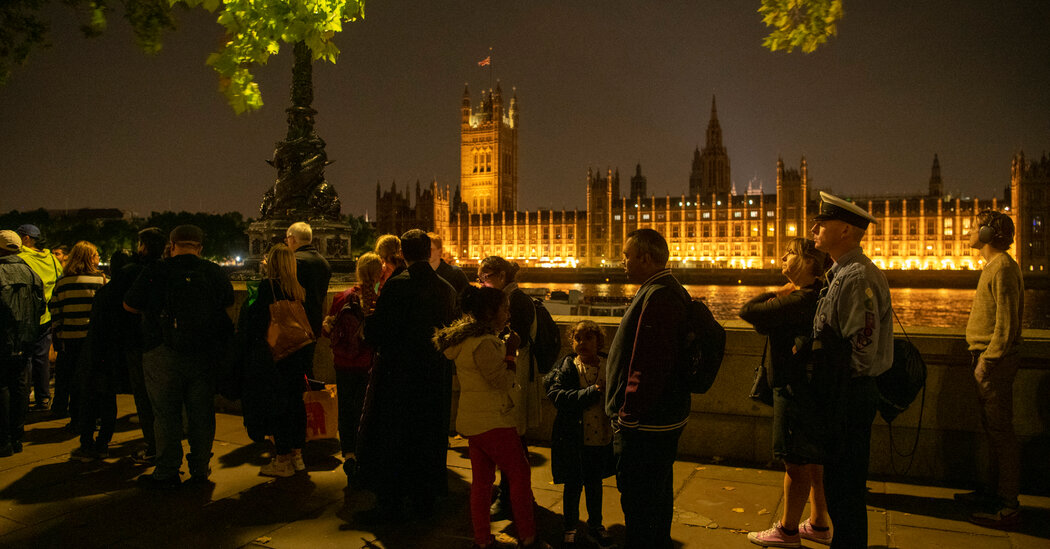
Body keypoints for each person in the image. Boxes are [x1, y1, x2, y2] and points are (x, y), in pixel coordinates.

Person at [433, 285, 548, 549]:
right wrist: (511, 351)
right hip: (493, 420)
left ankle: (483, 539)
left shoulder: (466, 342)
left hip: (475, 420)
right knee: (519, 474)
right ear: (489, 312)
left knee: (482, 482)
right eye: (504, 308)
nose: (508, 313)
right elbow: (500, 380)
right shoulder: (484, 343)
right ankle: (529, 537)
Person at [809, 191, 892, 549]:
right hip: (841, 391)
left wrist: (836, 386)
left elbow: (862, 344)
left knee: (847, 486)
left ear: (844, 230)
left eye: (822, 224)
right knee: (838, 483)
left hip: (850, 393)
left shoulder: (858, 277)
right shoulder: (841, 272)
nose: (814, 228)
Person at [357, 229, 457, 520]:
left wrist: (369, 318)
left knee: (396, 436)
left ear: (402, 253)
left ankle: (390, 501)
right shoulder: (446, 289)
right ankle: (424, 500)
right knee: (428, 436)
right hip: (434, 375)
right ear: (428, 252)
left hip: (399, 375)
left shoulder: (397, 286)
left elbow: (379, 333)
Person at [124, 225, 234, 488]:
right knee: (202, 412)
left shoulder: (156, 270)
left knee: (165, 413)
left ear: (171, 245)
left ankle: (167, 470)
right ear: (200, 247)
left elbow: (129, 304)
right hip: (203, 353)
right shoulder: (213, 271)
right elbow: (228, 303)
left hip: (162, 351)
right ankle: (199, 468)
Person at [740, 238, 833, 548]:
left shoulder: (801, 299)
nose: (782, 256)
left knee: (793, 460)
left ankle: (788, 530)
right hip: (811, 387)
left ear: (807, 262)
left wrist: (778, 292)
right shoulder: (818, 296)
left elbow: (749, 311)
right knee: (812, 460)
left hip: (793, 387)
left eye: (790, 253)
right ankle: (819, 522)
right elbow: (766, 324)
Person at [604, 228, 691, 549]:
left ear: (644, 257)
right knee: (657, 491)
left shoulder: (659, 296)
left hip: (647, 423)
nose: (622, 261)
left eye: (626, 255)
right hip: (663, 416)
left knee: (639, 497)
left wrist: (628, 413)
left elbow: (647, 361)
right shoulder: (666, 289)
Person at [954, 210, 1025, 529]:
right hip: (985, 358)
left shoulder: (1004, 269)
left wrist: (987, 361)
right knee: (991, 432)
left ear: (986, 233)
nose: (967, 232)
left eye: (972, 227)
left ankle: (1008, 505)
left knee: (1001, 433)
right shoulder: (993, 267)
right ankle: (991, 492)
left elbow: (1007, 326)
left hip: (992, 362)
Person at [237, 244, 313, 477]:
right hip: (297, 354)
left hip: (275, 356)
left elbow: (252, 324)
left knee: (278, 407)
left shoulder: (263, 287)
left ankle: (282, 460)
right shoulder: (299, 290)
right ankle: (297, 457)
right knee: (296, 405)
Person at [544, 320, 616, 549]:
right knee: (573, 486)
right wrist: (592, 392)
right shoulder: (566, 367)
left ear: (599, 342)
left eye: (588, 337)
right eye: (577, 338)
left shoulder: (609, 365)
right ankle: (570, 527)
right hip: (574, 439)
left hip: (600, 437)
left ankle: (595, 525)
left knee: (594, 485)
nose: (582, 342)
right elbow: (559, 397)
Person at [478, 255, 539, 517]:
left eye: (486, 278)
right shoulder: (512, 298)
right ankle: (520, 496)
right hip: (514, 375)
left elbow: (516, 341)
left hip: (517, 377)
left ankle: (510, 498)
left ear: (501, 276)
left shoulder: (516, 301)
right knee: (514, 441)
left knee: (514, 441)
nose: (482, 283)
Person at [322, 252, 383, 474]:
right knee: (366, 409)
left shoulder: (342, 297)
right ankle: (365, 450)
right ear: (379, 273)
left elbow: (327, 329)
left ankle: (348, 452)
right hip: (368, 364)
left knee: (346, 408)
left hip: (343, 362)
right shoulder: (381, 298)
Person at [71, 249, 134, 462]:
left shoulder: (106, 293)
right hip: (118, 354)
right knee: (109, 401)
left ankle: (87, 442)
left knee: (91, 399)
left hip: (99, 352)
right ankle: (103, 442)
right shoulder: (131, 292)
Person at [118, 227, 167, 464]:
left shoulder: (138, 272)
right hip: (165, 342)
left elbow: (128, 305)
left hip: (140, 343)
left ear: (144, 246)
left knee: (145, 399)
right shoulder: (169, 270)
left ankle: (154, 447)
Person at [49, 241, 107, 430]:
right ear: (90, 258)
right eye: (96, 254)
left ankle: (76, 419)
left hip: (69, 338)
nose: (98, 257)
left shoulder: (62, 283)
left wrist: (59, 334)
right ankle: (95, 418)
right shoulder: (101, 281)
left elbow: (55, 311)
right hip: (93, 339)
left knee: (73, 380)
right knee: (93, 380)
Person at [0, 230, 44, 457]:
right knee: (20, 387)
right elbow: (41, 307)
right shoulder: (31, 272)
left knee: (2, 387)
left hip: (3, 339)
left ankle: (4, 440)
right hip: (26, 339)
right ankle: (17, 437)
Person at [16, 224, 62, 411]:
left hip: (27, 315)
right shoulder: (52, 259)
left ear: (26, 238)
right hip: (48, 315)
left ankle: (23, 398)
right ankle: (44, 398)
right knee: (42, 358)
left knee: (24, 358)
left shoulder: (20, 258)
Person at [285, 222, 331, 378]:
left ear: (291, 239)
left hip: (294, 325)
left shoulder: (294, 261)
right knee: (307, 367)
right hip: (314, 323)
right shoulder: (323, 263)